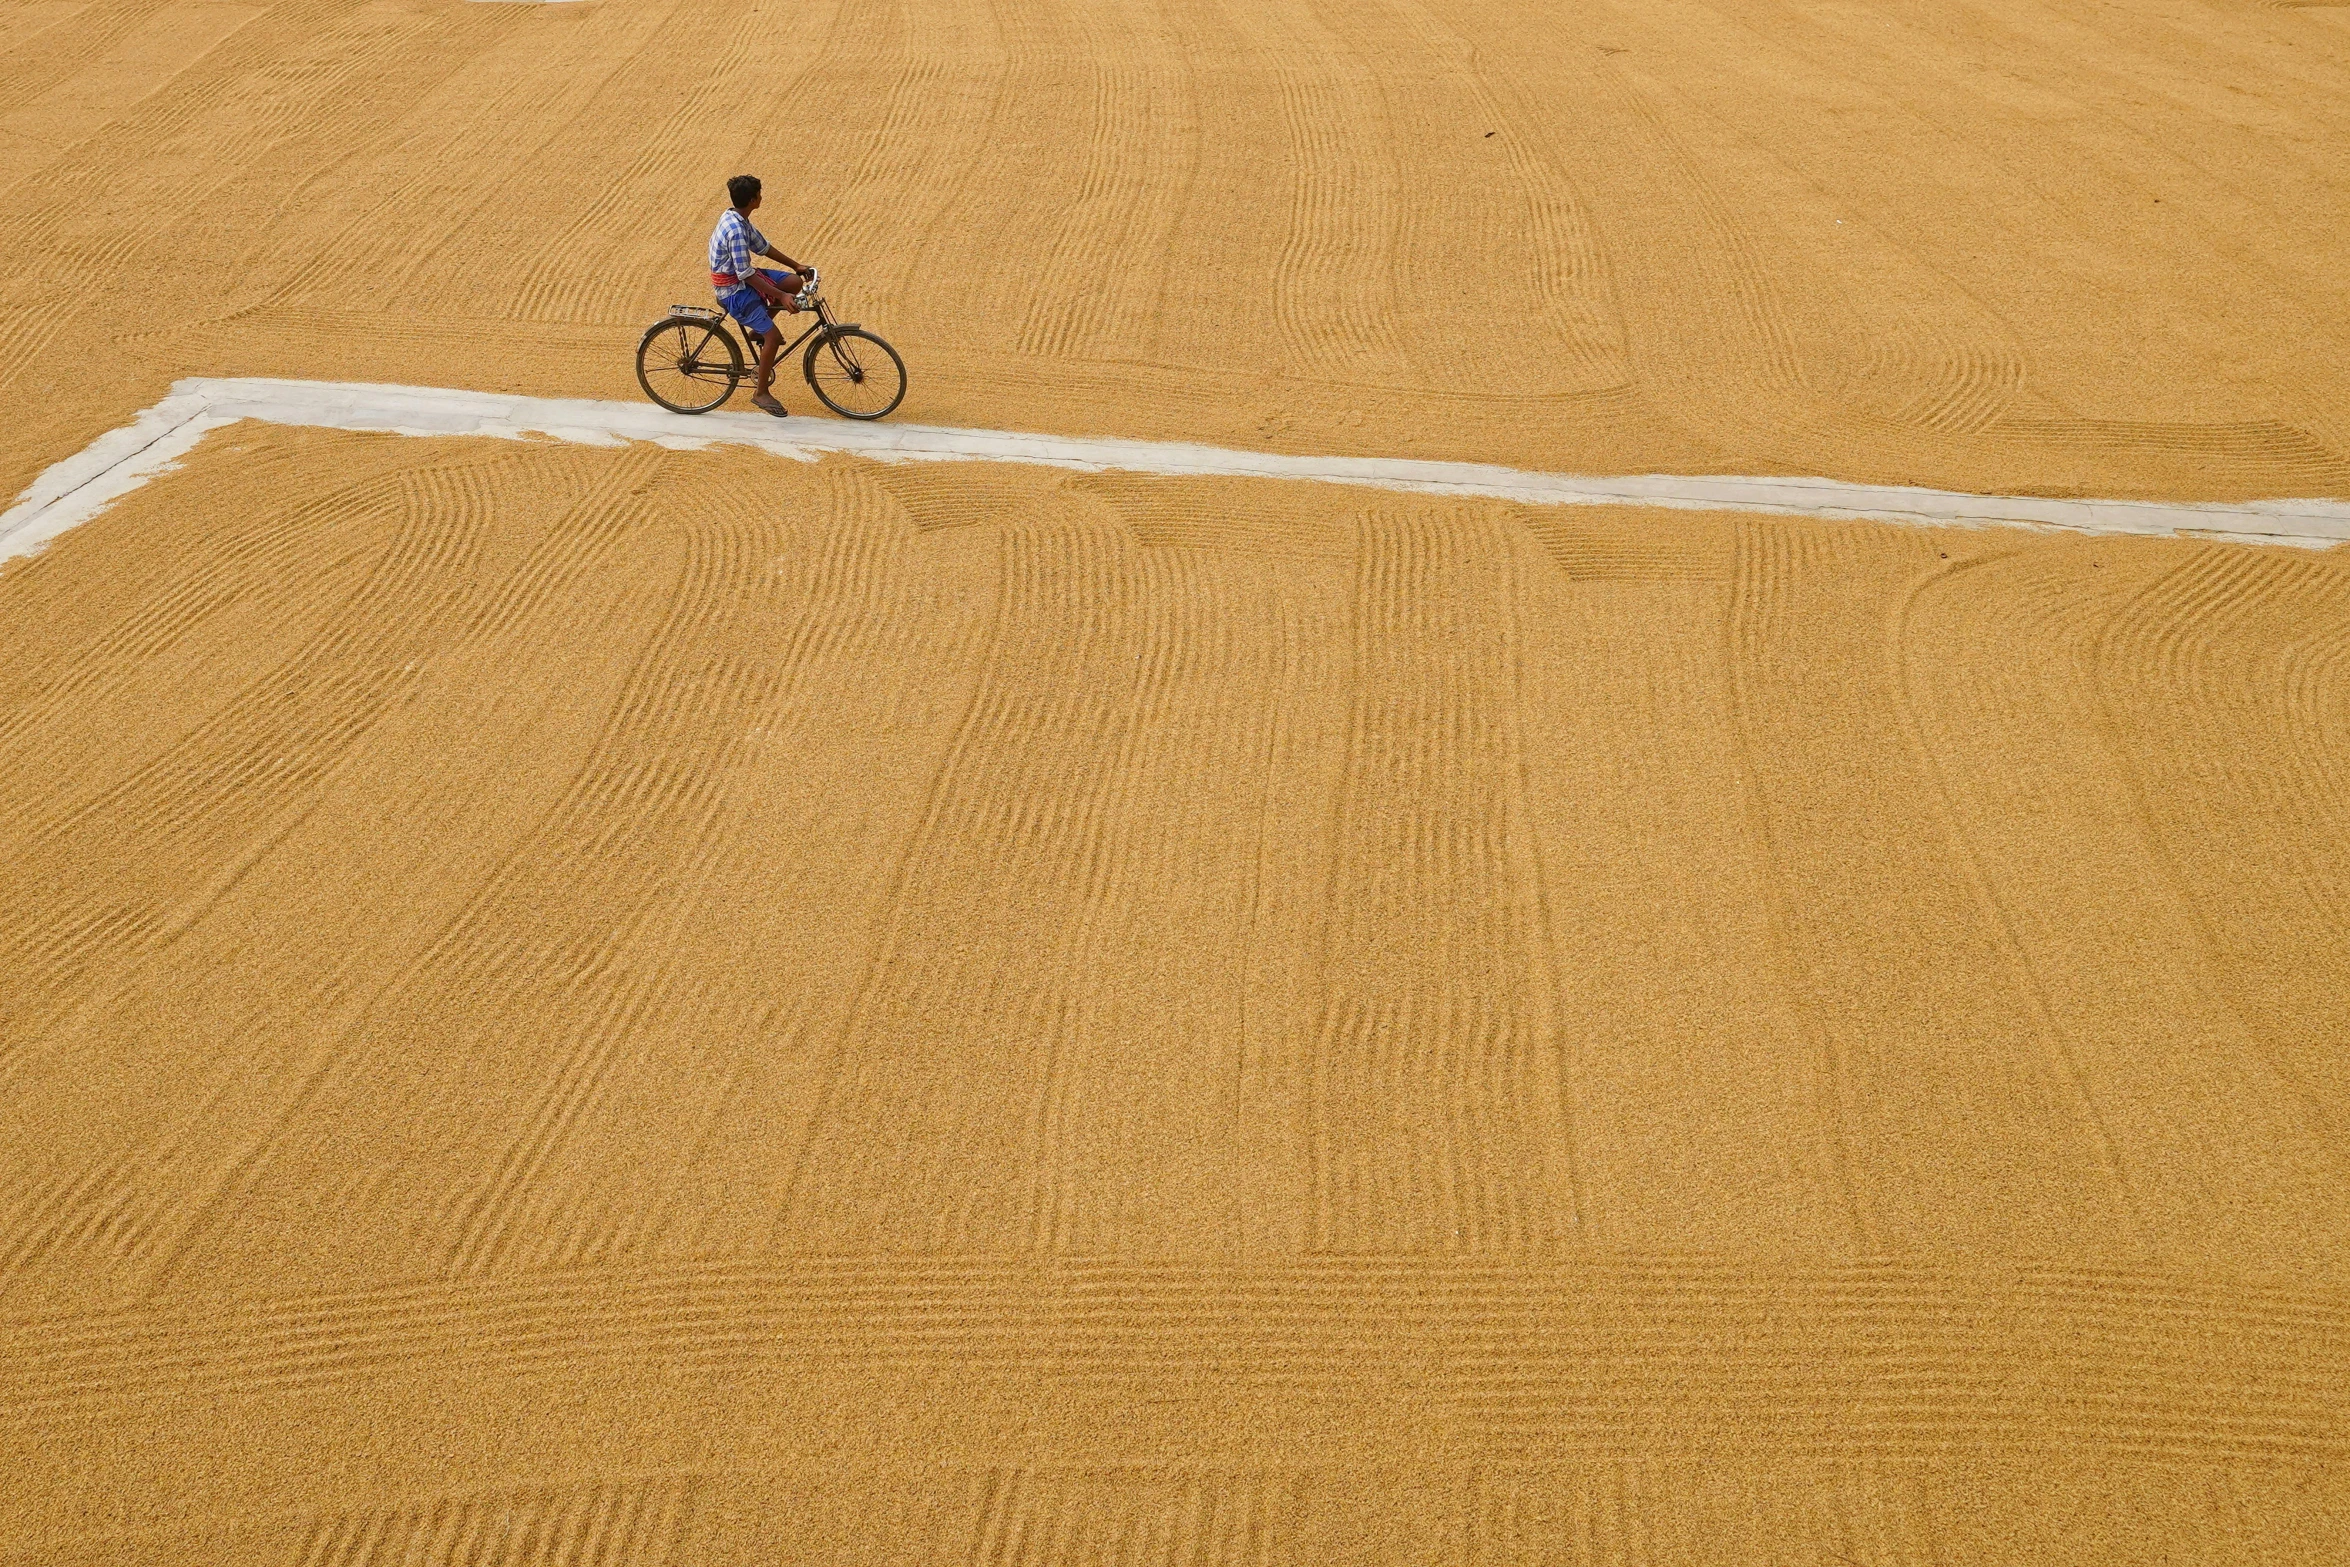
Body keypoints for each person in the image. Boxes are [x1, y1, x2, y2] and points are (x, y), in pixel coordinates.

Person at [709, 175, 813, 417]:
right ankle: (760, 393)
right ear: (754, 199)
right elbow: (745, 274)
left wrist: (796, 265)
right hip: (733, 291)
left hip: (742, 279)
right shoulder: (735, 229)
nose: (762, 197)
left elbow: (762, 247)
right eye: (760, 194)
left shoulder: (737, 217)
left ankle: (759, 330)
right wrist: (782, 297)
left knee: (794, 282)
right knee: (774, 338)